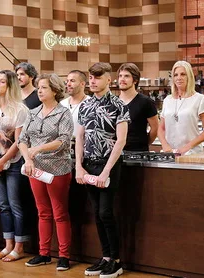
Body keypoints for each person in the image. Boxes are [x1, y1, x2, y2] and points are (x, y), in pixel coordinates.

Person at [75, 63, 130, 278]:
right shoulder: (85, 106)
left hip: (110, 164)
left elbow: (121, 140)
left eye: (97, 77)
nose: (93, 81)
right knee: (97, 213)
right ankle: (106, 257)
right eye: (91, 77)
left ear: (109, 80)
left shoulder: (119, 105)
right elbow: (79, 137)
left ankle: (116, 260)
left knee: (106, 212)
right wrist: (78, 166)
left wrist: (106, 171)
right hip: (89, 163)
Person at [18, 73, 73, 270]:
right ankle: (44, 253)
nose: (39, 91)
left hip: (57, 168)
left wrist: (38, 149)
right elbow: (22, 140)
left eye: (44, 88)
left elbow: (64, 140)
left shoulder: (63, 113)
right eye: (38, 87)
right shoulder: (32, 113)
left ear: (55, 91)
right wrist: (27, 159)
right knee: (43, 212)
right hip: (35, 169)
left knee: (60, 213)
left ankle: (64, 256)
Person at [0, 70, 29, 262]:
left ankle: (19, 247)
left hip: (12, 163)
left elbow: (19, 142)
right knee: (3, 206)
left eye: (2, 82)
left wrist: (2, 162)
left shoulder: (20, 110)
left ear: (10, 86)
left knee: (15, 205)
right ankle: (8, 244)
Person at [158, 61, 204, 155]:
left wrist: (187, 147)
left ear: (189, 77)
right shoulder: (167, 100)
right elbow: (161, 128)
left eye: (183, 74)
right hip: (170, 154)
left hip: (192, 153)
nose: (179, 78)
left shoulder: (199, 99)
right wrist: (165, 145)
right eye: (175, 75)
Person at [117, 63, 159, 151]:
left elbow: (155, 128)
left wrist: (142, 144)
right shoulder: (113, 102)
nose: (122, 79)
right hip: (116, 155)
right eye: (120, 76)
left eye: (126, 76)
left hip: (138, 154)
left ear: (135, 80)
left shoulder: (146, 102)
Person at [60, 70, 90, 139]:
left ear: (82, 84)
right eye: (67, 81)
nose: (68, 84)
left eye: (72, 81)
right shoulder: (62, 104)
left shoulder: (90, 104)